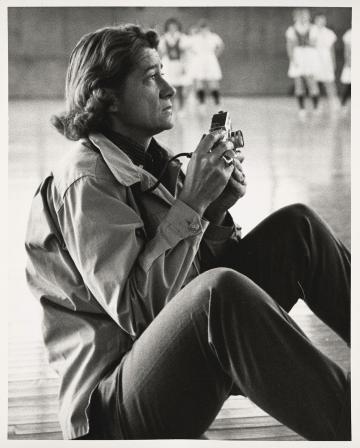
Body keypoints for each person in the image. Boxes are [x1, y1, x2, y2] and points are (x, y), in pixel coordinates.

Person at [25, 23, 350, 441]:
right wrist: (192, 202)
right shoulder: (85, 182)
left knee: (298, 228)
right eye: (150, 77)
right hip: (113, 407)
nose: (169, 89)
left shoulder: (148, 162)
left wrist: (213, 211)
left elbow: (189, 278)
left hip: (167, 363)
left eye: (163, 72)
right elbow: (141, 315)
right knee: (219, 295)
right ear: (106, 97)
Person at [285, 8, 320, 119]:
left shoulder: (313, 28)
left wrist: (303, 40)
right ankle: (302, 109)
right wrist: (292, 59)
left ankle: (315, 107)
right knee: (299, 84)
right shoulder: (291, 29)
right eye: (300, 16)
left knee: (312, 83)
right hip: (298, 56)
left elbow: (314, 43)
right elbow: (290, 46)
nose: (303, 18)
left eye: (305, 15)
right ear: (296, 17)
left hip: (309, 56)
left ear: (309, 16)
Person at [190, 19, 224, 107]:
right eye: (202, 28)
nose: (204, 30)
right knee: (199, 80)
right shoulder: (195, 37)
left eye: (205, 28)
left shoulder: (214, 36)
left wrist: (215, 55)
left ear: (208, 28)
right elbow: (189, 47)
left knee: (213, 80)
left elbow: (221, 46)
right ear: (199, 28)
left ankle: (216, 100)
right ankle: (201, 101)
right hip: (199, 59)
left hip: (210, 59)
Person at [158, 18, 188, 113]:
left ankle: (182, 109)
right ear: (167, 27)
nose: (172, 28)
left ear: (178, 27)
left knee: (180, 87)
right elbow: (161, 53)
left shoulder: (182, 37)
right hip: (168, 64)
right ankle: (172, 109)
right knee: (169, 87)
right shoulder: (163, 38)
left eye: (174, 27)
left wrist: (184, 66)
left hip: (179, 63)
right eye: (170, 27)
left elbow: (185, 53)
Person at [313, 14, 339, 110]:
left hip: (326, 59)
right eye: (319, 20)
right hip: (314, 59)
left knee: (329, 81)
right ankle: (317, 103)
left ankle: (333, 101)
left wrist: (333, 61)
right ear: (315, 21)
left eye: (323, 20)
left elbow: (331, 50)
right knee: (315, 83)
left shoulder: (329, 33)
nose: (321, 22)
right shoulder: (311, 31)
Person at [340, 28, 351, 108]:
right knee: (348, 83)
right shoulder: (349, 34)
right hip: (351, 62)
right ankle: (343, 103)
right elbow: (346, 50)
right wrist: (348, 61)